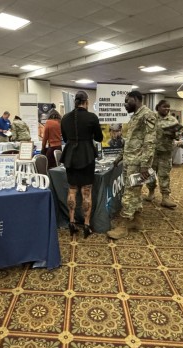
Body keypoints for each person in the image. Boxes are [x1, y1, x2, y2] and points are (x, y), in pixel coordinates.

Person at [107, 91, 156, 240]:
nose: (125, 104)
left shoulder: (147, 115)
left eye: (127, 101)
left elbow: (150, 141)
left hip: (138, 162)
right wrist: (119, 157)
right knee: (134, 191)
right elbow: (130, 141)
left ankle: (124, 225)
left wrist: (145, 164)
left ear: (136, 99)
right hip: (130, 161)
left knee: (129, 193)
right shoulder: (135, 116)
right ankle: (136, 219)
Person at [60, 91, 104, 238]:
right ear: (86, 101)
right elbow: (99, 137)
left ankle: (71, 222)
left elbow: (65, 139)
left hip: (70, 157)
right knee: (86, 191)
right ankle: (86, 225)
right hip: (87, 156)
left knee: (72, 190)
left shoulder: (65, 118)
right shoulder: (92, 117)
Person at [144, 100, 181, 208]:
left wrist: (173, 133)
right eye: (164, 107)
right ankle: (150, 193)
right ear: (158, 107)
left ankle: (165, 198)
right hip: (152, 152)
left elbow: (178, 135)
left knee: (164, 175)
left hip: (165, 152)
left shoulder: (172, 120)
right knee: (150, 173)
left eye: (168, 107)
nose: (167, 109)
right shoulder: (151, 118)